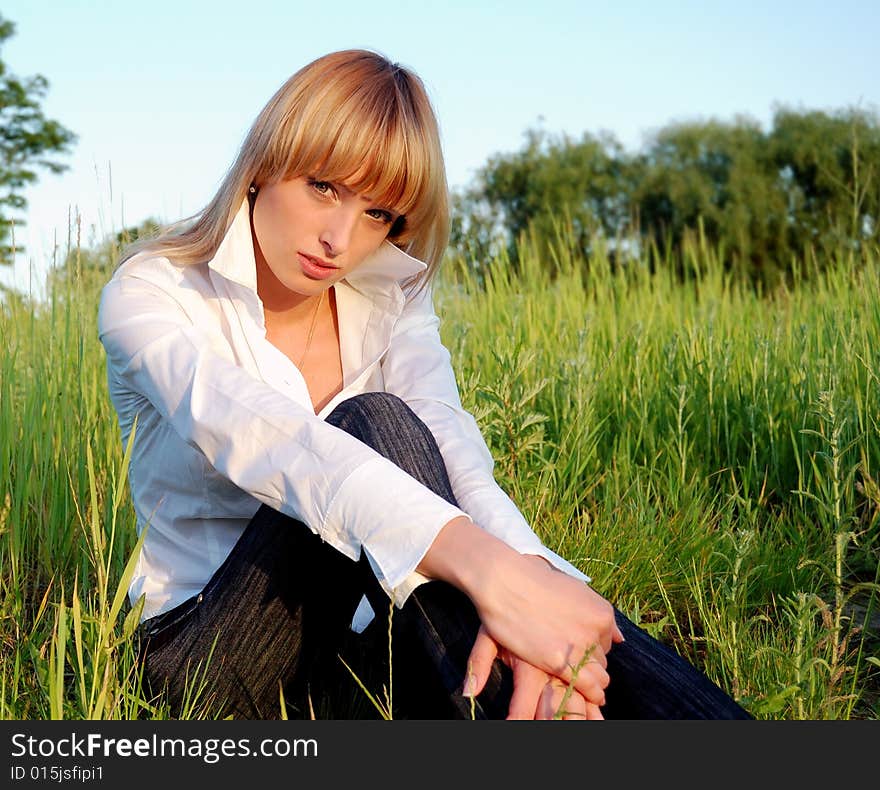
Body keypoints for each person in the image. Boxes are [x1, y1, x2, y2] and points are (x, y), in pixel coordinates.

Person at [98, 49, 751, 720]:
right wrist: (485, 570)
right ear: (265, 163)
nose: (340, 238)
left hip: (354, 641)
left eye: (378, 213)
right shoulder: (151, 294)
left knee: (512, 593)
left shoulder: (388, 293)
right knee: (371, 426)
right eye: (323, 186)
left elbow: (447, 443)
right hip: (207, 653)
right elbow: (276, 443)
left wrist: (526, 584)